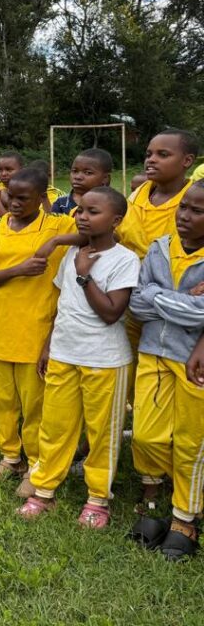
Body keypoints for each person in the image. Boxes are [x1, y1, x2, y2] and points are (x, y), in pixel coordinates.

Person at [17, 187, 138, 527]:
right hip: (64, 353)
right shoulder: (72, 253)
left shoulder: (125, 259)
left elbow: (112, 313)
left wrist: (85, 275)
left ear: (115, 220)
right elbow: (62, 305)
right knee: (55, 427)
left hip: (105, 360)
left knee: (102, 433)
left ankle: (97, 499)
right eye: (81, 210)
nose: (82, 216)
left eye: (93, 212)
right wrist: (48, 346)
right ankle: (44, 490)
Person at [0, 168, 76, 495]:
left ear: (42, 197)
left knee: (35, 405)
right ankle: (9, 457)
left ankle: (35, 464)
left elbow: (94, 234)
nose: (14, 203)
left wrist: (56, 241)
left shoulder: (58, 226)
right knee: (2, 401)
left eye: (23, 198)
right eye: (10, 196)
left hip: (36, 329)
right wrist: (19, 269)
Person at [127, 181, 204, 559]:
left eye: (197, 211)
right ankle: (156, 491)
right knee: (146, 435)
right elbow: (136, 303)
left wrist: (156, 296)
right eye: (183, 207)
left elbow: (199, 313)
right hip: (153, 352)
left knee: (191, 440)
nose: (184, 216)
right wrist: (182, 300)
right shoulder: (159, 248)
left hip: (193, 362)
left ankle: (185, 515)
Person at [117, 129, 197, 260]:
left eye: (163, 155)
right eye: (148, 155)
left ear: (187, 161)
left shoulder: (195, 201)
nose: (151, 160)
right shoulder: (135, 197)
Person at [52, 148, 113, 216]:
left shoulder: (113, 204)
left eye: (88, 173)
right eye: (75, 171)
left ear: (105, 178)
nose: (78, 177)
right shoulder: (61, 204)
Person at [0, 151, 24, 216]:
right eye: (0, 170)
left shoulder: (29, 189)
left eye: (9, 170)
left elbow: (9, 219)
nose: (3, 174)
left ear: (21, 170)